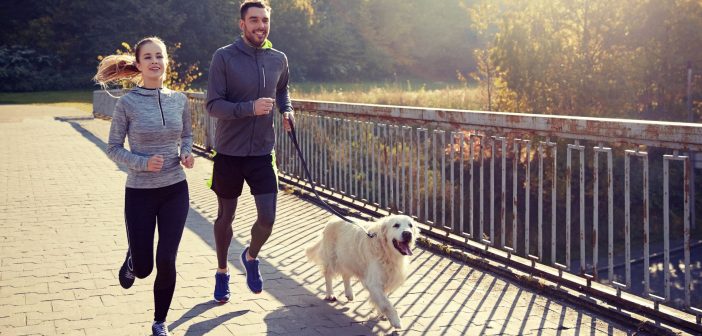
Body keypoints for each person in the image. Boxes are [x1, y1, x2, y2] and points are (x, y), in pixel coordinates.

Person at [94, 36, 194, 336]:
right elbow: (113, 147)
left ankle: (160, 321)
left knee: (167, 259)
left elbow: (187, 135)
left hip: (175, 189)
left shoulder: (180, 100)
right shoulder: (127, 103)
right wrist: (141, 161)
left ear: (166, 62)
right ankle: (132, 260)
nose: (154, 61)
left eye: (159, 56)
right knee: (144, 268)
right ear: (138, 64)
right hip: (139, 193)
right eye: (148, 57)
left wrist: (186, 153)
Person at [206, 0, 294, 302]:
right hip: (229, 153)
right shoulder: (224, 58)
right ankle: (221, 272)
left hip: (262, 152)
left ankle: (251, 257)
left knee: (267, 219)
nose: (260, 26)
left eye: (265, 20)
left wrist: (286, 110)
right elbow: (213, 105)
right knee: (225, 218)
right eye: (254, 20)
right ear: (242, 24)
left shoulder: (278, 58)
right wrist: (250, 108)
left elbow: (282, 89)